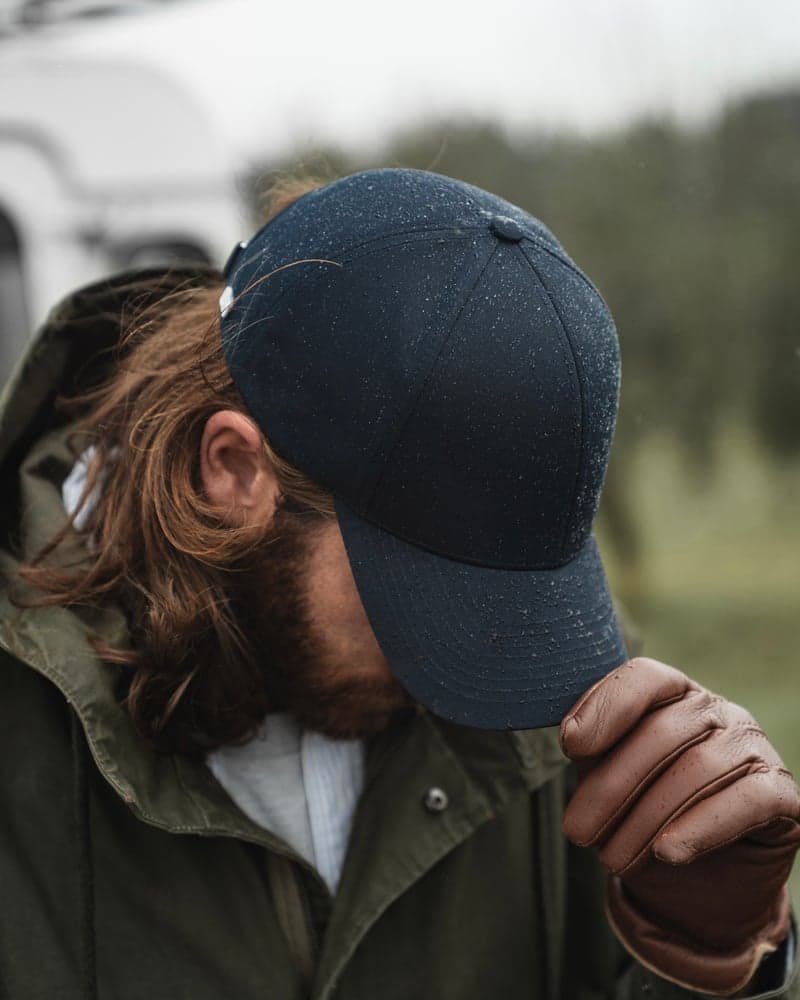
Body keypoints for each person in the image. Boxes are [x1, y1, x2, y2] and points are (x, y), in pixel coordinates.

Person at [0, 169, 797, 1000]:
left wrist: (717, 960)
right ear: (234, 471)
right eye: (424, 591)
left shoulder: (555, 689)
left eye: (499, 592)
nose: (476, 674)